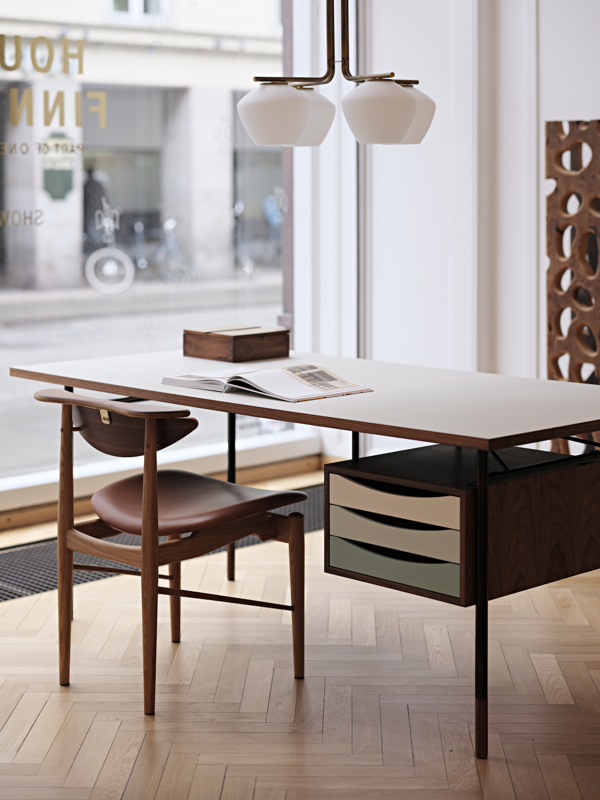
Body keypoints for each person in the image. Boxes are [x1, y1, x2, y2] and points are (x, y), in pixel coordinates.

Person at [83, 167, 107, 254]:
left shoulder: (88, 185)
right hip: (98, 214)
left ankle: (98, 254)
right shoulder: (97, 185)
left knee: (96, 236)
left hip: (92, 215)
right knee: (98, 236)